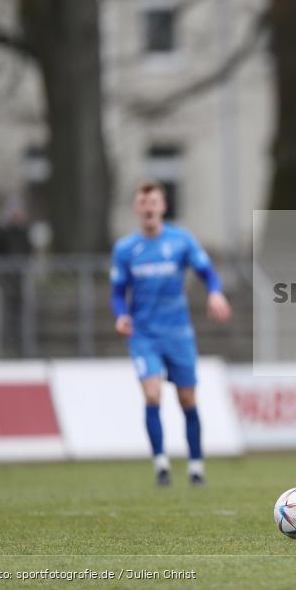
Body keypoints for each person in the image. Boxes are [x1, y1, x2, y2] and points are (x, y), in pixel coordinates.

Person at [111, 181, 231, 486]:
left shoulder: (181, 240)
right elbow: (117, 292)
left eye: (154, 202)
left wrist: (215, 293)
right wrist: (122, 315)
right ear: (137, 209)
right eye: (143, 203)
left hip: (178, 333)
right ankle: (161, 464)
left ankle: (195, 465)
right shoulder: (126, 248)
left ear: (163, 207)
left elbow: (207, 272)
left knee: (187, 400)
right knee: (151, 395)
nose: (149, 207)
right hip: (144, 336)